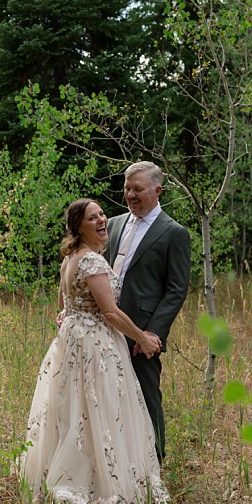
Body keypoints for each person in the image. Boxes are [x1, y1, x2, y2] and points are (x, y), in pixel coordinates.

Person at [20, 198, 169, 504]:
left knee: (76, 411)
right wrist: (143, 338)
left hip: (73, 343)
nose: (102, 220)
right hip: (96, 346)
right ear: (79, 226)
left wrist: (70, 320)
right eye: (93, 217)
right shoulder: (91, 261)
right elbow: (111, 312)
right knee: (101, 412)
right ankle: (96, 490)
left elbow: (63, 307)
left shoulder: (69, 259)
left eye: (102, 214)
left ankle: (68, 480)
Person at [105, 161, 191, 463]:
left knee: (145, 394)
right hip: (105, 325)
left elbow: (176, 289)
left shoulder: (173, 233)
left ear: (157, 191)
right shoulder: (113, 224)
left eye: (137, 189)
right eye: (127, 188)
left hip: (142, 332)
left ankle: (155, 460)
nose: (130, 195)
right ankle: (117, 459)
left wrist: (152, 333)